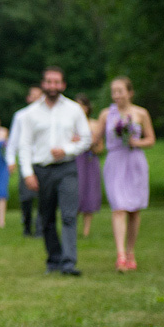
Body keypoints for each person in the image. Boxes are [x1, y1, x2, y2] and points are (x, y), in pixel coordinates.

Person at [19, 66, 91, 276]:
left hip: (67, 168)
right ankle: (54, 259)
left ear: (63, 85)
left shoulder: (74, 109)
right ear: (43, 84)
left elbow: (86, 138)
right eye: (49, 82)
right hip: (42, 170)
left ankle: (69, 263)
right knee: (47, 217)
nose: (53, 86)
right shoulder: (31, 113)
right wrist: (27, 173)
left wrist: (67, 149)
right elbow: (24, 145)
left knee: (69, 215)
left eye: (57, 82)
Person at [95, 76, 156, 272]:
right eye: (114, 91)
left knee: (134, 210)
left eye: (120, 91)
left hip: (135, 162)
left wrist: (136, 142)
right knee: (118, 207)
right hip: (115, 162)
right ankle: (120, 254)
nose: (116, 95)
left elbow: (151, 140)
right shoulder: (106, 114)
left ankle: (131, 251)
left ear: (130, 92)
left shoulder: (141, 113)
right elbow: (95, 139)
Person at [6, 85, 44, 236]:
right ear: (28, 98)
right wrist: (10, 160)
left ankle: (40, 228)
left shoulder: (47, 116)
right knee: (26, 197)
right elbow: (13, 140)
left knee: (43, 197)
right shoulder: (20, 116)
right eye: (33, 96)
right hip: (26, 161)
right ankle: (27, 225)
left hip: (42, 160)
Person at [74, 94, 103, 238]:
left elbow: (100, 148)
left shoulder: (95, 124)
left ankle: (86, 231)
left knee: (89, 193)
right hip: (75, 161)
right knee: (75, 193)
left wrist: (91, 145)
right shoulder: (70, 125)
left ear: (87, 108)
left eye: (82, 105)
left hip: (90, 161)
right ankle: (72, 228)